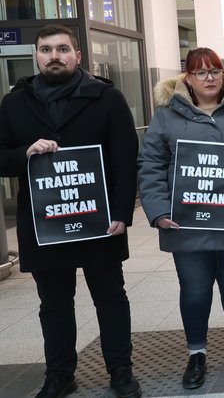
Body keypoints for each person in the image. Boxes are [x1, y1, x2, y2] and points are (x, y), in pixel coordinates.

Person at [0, 25, 140, 398]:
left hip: (98, 220)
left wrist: (123, 213)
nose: (54, 56)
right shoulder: (14, 103)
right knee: (54, 304)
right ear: (36, 56)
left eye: (63, 49)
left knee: (110, 298)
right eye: (46, 49)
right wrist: (24, 153)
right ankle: (60, 374)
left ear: (78, 56)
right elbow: (0, 157)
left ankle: (121, 371)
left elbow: (126, 160)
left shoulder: (106, 98)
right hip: (45, 224)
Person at [138, 48, 224, 388]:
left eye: (215, 71)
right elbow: (150, 164)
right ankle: (197, 353)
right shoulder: (166, 114)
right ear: (187, 77)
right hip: (188, 221)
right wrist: (158, 211)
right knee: (196, 289)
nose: (209, 78)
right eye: (200, 73)